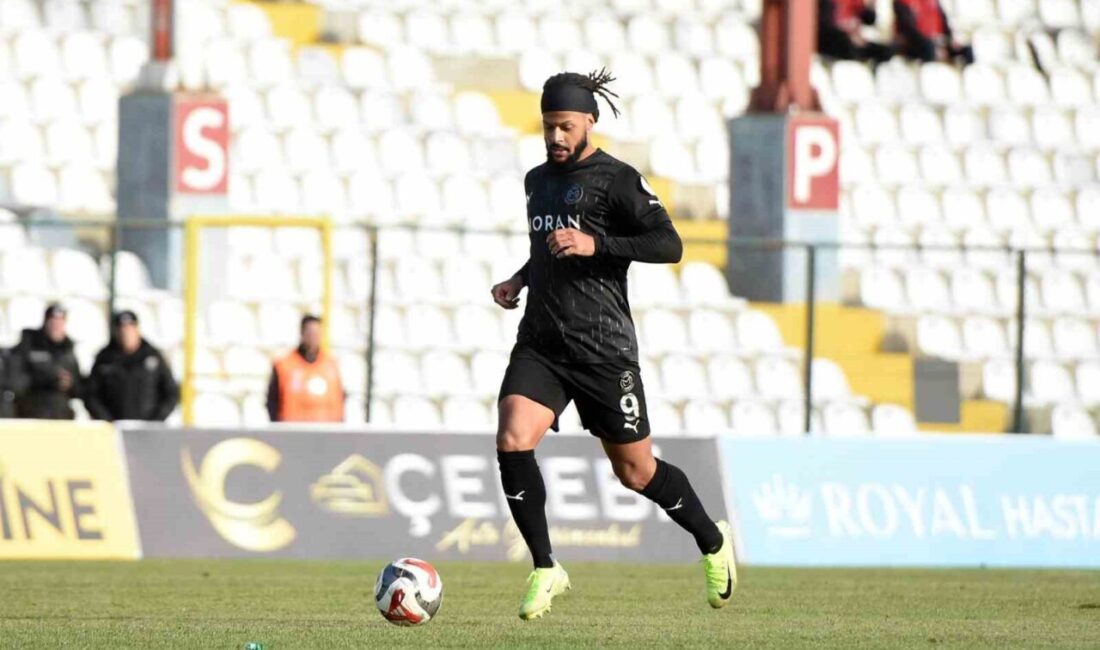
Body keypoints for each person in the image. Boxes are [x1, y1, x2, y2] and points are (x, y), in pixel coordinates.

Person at [488, 69, 736, 621]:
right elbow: (550, 248)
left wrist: (595, 242)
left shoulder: (618, 179)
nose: (555, 137)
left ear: (589, 124)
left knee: (636, 472)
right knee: (511, 436)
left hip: (604, 349)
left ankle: (712, 540)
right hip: (543, 344)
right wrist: (521, 280)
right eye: (549, 127)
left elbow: (668, 244)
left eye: (566, 127)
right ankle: (546, 566)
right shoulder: (536, 181)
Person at [84, 311, 179, 422]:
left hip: (146, 428)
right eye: (122, 329)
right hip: (114, 428)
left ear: (137, 330)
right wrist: (106, 419)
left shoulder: (153, 356)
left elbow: (171, 392)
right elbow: (91, 394)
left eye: (129, 328)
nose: (126, 333)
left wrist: (156, 420)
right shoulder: (105, 358)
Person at [9, 303, 82, 419]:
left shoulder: (68, 352)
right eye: (53, 322)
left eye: (60, 322)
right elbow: (16, 382)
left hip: (61, 416)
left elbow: (79, 388)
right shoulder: (29, 346)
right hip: (31, 414)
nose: (56, 326)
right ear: (45, 322)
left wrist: (69, 383)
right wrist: (46, 379)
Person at [266, 315, 344, 422]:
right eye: (310, 333)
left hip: (327, 431)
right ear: (302, 334)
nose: (314, 337)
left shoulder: (331, 364)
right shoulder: (284, 365)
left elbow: (340, 398)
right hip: (293, 431)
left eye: (317, 333)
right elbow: (272, 401)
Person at [893, 0, 974, 66]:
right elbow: (909, 31)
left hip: (938, 42)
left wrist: (950, 41)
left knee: (967, 51)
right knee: (928, 48)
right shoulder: (902, 2)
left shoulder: (934, 2)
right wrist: (934, 47)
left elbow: (944, 24)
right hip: (917, 45)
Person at [818, 0, 895, 64]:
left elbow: (869, 19)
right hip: (836, 40)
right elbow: (826, 27)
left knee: (886, 50)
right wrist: (848, 35)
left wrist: (871, 6)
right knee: (846, 45)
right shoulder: (829, 3)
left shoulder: (857, 3)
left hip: (855, 42)